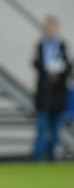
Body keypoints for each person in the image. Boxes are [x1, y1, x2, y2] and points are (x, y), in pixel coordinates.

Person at [32, 16, 72, 161]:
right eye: (48, 26)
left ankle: (51, 156)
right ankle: (38, 156)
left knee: (55, 128)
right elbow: (36, 63)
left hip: (58, 93)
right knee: (42, 127)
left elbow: (68, 66)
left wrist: (59, 73)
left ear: (57, 28)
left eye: (53, 26)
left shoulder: (62, 46)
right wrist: (47, 73)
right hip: (44, 93)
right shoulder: (40, 46)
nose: (50, 29)